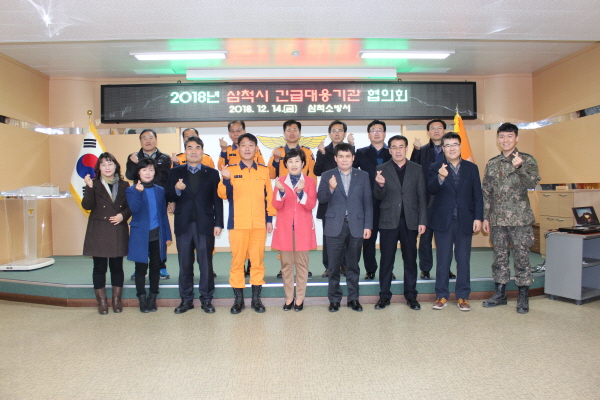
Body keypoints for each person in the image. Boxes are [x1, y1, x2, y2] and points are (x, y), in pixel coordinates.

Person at [482, 123, 541, 314]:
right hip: (498, 219)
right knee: (499, 257)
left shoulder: (526, 160)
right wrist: (485, 217)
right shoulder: (492, 163)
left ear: (516, 138)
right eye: (502, 136)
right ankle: (500, 293)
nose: (505, 140)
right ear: (498, 139)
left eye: (509, 136)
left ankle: (523, 295)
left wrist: (520, 168)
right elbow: (486, 192)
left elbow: (531, 183)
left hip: (520, 219)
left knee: (522, 258)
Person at [218, 133, 276, 314]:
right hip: (238, 224)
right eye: (243, 145)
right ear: (238, 148)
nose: (247, 148)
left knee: (257, 262)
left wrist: (269, 219)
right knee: (237, 263)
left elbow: (269, 197)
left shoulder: (264, 171)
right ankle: (238, 300)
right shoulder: (231, 169)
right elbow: (223, 194)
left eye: (251, 145)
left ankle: (256, 300)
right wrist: (225, 179)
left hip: (259, 224)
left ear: (256, 148)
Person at [165, 136, 223, 314]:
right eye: (190, 147)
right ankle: (186, 299)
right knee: (185, 265)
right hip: (184, 224)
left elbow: (217, 200)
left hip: (205, 224)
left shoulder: (212, 173)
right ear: (185, 151)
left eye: (197, 147)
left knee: (206, 264)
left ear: (202, 151)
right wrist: (177, 190)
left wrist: (218, 223)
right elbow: (168, 196)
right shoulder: (175, 172)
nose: (193, 151)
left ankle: (206, 299)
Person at [427, 132, 483, 311]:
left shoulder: (471, 168)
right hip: (443, 220)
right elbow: (430, 189)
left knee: (463, 259)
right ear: (443, 149)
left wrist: (478, 217)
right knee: (443, 259)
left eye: (455, 145)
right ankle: (441, 295)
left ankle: (463, 296)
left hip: (465, 220)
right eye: (448, 145)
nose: (452, 148)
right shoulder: (436, 166)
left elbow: (477, 195)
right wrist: (440, 178)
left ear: (460, 146)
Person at [373, 135, 427, 311]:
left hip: (410, 221)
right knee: (386, 261)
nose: (398, 150)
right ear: (389, 150)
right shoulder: (381, 169)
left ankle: (411, 295)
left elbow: (422, 197)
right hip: (388, 221)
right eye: (394, 147)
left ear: (406, 148)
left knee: (410, 260)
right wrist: (380, 186)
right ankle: (384, 295)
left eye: (401, 147)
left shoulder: (417, 169)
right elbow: (377, 196)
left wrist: (422, 220)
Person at [317, 143, 372, 312]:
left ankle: (353, 299)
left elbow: (368, 203)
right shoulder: (327, 175)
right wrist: (331, 188)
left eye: (347, 156)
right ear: (335, 158)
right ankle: (334, 299)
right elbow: (321, 198)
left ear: (353, 158)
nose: (344, 159)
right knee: (333, 267)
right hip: (334, 226)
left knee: (353, 266)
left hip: (356, 225)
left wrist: (368, 225)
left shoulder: (362, 175)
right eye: (340, 156)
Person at [81, 153, 131, 315]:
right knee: (99, 267)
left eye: (110, 164)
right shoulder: (93, 184)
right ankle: (102, 302)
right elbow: (87, 205)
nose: (107, 168)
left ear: (116, 166)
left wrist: (123, 216)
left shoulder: (124, 185)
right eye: (103, 165)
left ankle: (116, 300)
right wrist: (89, 187)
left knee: (117, 267)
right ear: (99, 168)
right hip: (99, 231)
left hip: (117, 229)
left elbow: (131, 206)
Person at [268, 119, 316, 279]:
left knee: (301, 238)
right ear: (284, 133)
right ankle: (284, 267)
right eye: (288, 130)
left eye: (295, 129)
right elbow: (271, 174)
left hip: (302, 197)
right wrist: (276, 160)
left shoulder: (307, 152)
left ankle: (303, 268)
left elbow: (312, 174)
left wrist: (309, 193)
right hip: (285, 200)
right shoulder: (278, 152)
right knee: (285, 237)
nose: (292, 133)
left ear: (300, 133)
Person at [271, 148, 317, 311]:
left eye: (297, 161)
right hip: (285, 229)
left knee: (302, 265)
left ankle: (300, 298)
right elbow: (276, 205)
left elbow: (311, 205)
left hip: (303, 229)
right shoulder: (280, 181)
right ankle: (289, 297)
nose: (294, 164)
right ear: (286, 164)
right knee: (286, 265)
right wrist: (281, 191)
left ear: (303, 163)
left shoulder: (309, 181)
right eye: (290, 161)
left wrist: (300, 192)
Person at [410, 119, 456, 280]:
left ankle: (446, 269)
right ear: (428, 132)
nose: (436, 131)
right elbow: (413, 170)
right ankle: (425, 269)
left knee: (445, 238)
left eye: (439, 128)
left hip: (446, 199)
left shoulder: (451, 150)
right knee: (425, 238)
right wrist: (416, 151)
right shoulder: (421, 150)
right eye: (432, 128)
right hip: (426, 199)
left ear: (444, 131)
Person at [217, 120, 264, 277]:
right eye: (233, 131)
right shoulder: (228, 152)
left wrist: (269, 219)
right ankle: (239, 291)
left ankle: (255, 292)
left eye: (239, 130)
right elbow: (222, 171)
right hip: (238, 211)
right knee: (237, 257)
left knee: (256, 257)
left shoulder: (257, 156)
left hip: (256, 213)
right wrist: (224, 152)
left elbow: (262, 172)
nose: (236, 133)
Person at [126, 158, 172, 313]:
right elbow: (134, 209)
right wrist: (139, 193)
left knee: (155, 267)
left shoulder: (159, 190)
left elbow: (163, 214)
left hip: (157, 234)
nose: (148, 173)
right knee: (140, 268)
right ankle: (141, 298)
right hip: (140, 235)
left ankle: (152, 297)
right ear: (139, 172)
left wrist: (167, 233)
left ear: (154, 172)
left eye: (151, 170)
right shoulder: (132, 190)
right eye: (144, 170)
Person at [125, 128, 172, 280]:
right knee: (141, 234)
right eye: (144, 138)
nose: (148, 140)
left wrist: (170, 200)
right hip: (141, 198)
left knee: (160, 233)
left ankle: (161, 266)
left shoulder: (165, 158)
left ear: (156, 140)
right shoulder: (133, 157)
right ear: (140, 141)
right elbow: (129, 175)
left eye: (150, 137)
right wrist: (133, 163)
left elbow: (169, 180)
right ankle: (140, 267)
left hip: (159, 198)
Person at [314, 120, 354, 278]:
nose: (337, 133)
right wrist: (322, 154)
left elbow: (354, 169)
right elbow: (317, 171)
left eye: (340, 130)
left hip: (347, 201)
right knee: (328, 237)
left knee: (347, 236)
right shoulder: (324, 150)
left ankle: (345, 265)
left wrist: (353, 146)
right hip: (329, 200)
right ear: (329, 134)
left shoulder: (349, 150)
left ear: (344, 133)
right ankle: (329, 266)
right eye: (334, 130)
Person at [353, 120, 392, 280]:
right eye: (373, 130)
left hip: (389, 201)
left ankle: (388, 270)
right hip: (368, 202)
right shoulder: (361, 153)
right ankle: (370, 269)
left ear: (385, 133)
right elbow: (351, 172)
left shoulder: (393, 152)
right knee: (368, 238)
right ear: (369, 134)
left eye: (379, 130)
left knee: (388, 240)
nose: (376, 133)